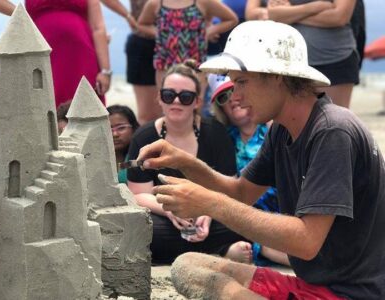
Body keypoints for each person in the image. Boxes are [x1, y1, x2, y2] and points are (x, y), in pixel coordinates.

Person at [136, 21, 385, 299]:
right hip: (314, 284)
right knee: (189, 265)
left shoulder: (331, 131)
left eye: (241, 82)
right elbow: (241, 192)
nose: (235, 96)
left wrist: (209, 203)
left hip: (351, 293)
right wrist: (185, 162)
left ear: (277, 76)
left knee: (221, 288)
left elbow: (306, 241)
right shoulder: (282, 128)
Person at [127, 59, 247, 264]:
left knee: (243, 220)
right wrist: (170, 209)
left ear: (197, 102)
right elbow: (138, 194)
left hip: (210, 212)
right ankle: (217, 251)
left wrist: (208, 210)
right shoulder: (143, 137)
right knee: (143, 229)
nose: (175, 102)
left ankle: (197, 252)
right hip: (165, 217)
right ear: (159, 98)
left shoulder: (216, 133)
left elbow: (231, 187)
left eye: (185, 97)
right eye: (169, 95)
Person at [209, 74, 289, 267]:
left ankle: (262, 249)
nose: (233, 99)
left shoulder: (276, 129)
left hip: (281, 211)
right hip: (242, 214)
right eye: (223, 97)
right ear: (220, 108)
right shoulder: (222, 139)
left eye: (236, 90)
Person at [245, 0, 359, 108]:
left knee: (335, 119)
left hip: (334, 59)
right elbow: (275, 14)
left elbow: (339, 17)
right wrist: (315, 7)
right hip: (289, 62)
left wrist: (291, 13)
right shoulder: (317, 6)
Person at [0, 0, 112, 108]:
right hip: (39, 53)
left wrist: (105, 71)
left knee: (85, 104)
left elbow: (98, 28)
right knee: (43, 103)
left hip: (80, 55)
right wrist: (19, 13)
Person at [137, 0, 238, 90]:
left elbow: (231, 19)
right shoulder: (156, 3)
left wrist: (208, 32)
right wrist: (160, 33)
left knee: (195, 103)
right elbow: (142, 24)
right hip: (165, 65)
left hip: (195, 64)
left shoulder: (202, 2)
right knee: (167, 101)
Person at [102, 0, 160, 125]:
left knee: (185, 109)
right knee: (148, 115)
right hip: (145, 42)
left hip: (184, 46)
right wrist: (127, 16)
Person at [107, 104, 139, 184]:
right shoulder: (95, 158)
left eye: (121, 128)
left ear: (134, 128)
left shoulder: (140, 156)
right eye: (108, 129)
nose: (115, 134)